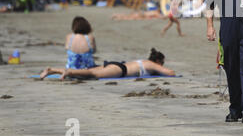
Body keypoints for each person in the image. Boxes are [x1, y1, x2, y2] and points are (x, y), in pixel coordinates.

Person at [40, 48, 175, 80]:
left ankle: (52, 70)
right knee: (91, 73)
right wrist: (162, 69)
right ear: (158, 61)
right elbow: (170, 73)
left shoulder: (144, 62)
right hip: (120, 69)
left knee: (88, 71)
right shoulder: (151, 64)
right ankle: (68, 72)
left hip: (116, 64)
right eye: (162, 63)